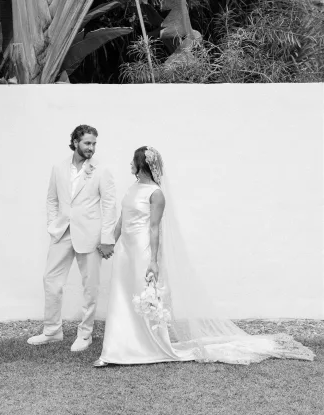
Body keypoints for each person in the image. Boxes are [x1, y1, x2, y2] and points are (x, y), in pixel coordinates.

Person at [93, 146, 315, 367]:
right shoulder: (132, 188)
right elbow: (123, 218)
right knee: (121, 296)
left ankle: (146, 346)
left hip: (142, 250)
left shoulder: (156, 193)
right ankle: (117, 347)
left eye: (133, 160)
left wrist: (153, 260)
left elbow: (153, 228)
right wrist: (110, 241)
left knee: (142, 295)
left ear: (141, 164)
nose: (129, 164)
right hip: (125, 251)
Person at [28, 124, 116, 352]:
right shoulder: (58, 168)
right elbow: (51, 199)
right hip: (62, 232)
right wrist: (52, 224)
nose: (91, 148)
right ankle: (52, 330)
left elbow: (109, 205)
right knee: (51, 280)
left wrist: (107, 238)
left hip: (90, 235)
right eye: (87, 143)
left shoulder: (102, 170)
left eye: (94, 143)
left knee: (90, 286)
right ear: (75, 142)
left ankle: (85, 334)